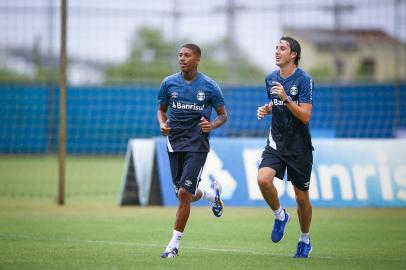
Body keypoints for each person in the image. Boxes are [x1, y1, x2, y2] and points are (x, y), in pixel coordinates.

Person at [157, 43, 228, 259]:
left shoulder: (209, 86)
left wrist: (212, 125)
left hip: (197, 145)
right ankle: (211, 194)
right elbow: (161, 110)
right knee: (183, 193)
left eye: (186, 55)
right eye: (179, 55)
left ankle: (173, 245)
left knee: (184, 194)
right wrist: (162, 124)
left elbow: (223, 115)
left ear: (197, 59)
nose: (182, 58)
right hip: (174, 143)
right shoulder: (168, 83)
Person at [256, 36, 314, 258]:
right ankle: (280, 215)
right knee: (262, 179)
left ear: (293, 55)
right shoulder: (270, 79)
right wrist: (268, 108)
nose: (277, 51)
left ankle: (304, 239)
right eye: (276, 48)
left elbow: (306, 116)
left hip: (299, 147)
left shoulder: (304, 80)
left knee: (301, 198)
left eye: (282, 48)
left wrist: (286, 98)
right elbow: (278, 104)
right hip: (276, 143)